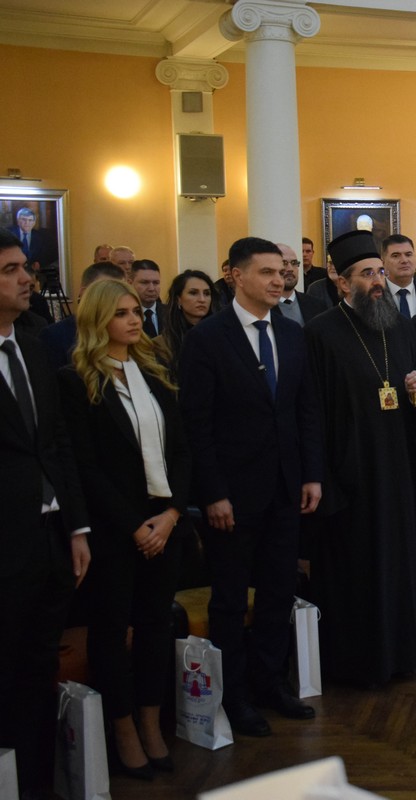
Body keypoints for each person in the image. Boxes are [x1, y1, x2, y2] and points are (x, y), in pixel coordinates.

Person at [179, 237, 323, 737]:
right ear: (236, 276)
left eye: (281, 272)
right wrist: (212, 492)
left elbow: (306, 410)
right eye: (266, 272)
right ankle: (233, 695)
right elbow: (196, 424)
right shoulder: (207, 338)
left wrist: (311, 474)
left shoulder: (292, 333)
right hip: (232, 495)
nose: (279, 280)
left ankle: (270, 683)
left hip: (286, 488)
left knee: (279, 591)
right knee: (230, 599)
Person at [58, 278, 189, 780]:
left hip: (165, 522)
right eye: (121, 313)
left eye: (136, 311)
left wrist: (172, 514)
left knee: (157, 625)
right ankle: (123, 729)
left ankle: (151, 723)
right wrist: (135, 526)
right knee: (111, 631)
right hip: (116, 530)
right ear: (98, 320)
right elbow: (84, 467)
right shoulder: (77, 380)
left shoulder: (154, 372)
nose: (134, 320)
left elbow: (182, 450)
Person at [305, 229, 416, 685]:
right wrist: (322, 476)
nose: (378, 281)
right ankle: (359, 664)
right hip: (351, 478)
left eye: (380, 272)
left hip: (399, 474)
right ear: (343, 283)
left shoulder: (400, 326)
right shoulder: (320, 333)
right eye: (367, 274)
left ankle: (402, 656)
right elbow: (312, 411)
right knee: (358, 571)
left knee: (401, 567)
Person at [0, 230, 90, 799]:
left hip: (50, 538)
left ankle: (36, 782)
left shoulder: (32, 346)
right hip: (4, 541)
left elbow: (56, 442)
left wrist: (76, 526)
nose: (26, 278)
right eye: (10, 270)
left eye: (24, 268)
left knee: (38, 668)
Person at [39, 261, 125, 369]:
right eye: (104, 292)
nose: (114, 299)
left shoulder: (124, 332)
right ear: (84, 292)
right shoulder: (55, 336)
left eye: (120, 293)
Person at [157, 269, 215, 379]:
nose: (202, 299)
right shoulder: (161, 345)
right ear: (178, 299)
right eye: (193, 293)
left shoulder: (220, 336)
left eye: (207, 293)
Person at [274, 242, 327, 325]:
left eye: (294, 263)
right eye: (284, 263)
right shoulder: (261, 307)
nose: (290, 269)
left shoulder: (317, 306)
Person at [129, 259, 166, 337]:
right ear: (130, 283)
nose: (151, 288)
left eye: (156, 283)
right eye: (144, 282)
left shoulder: (171, 314)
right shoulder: (124, 316)